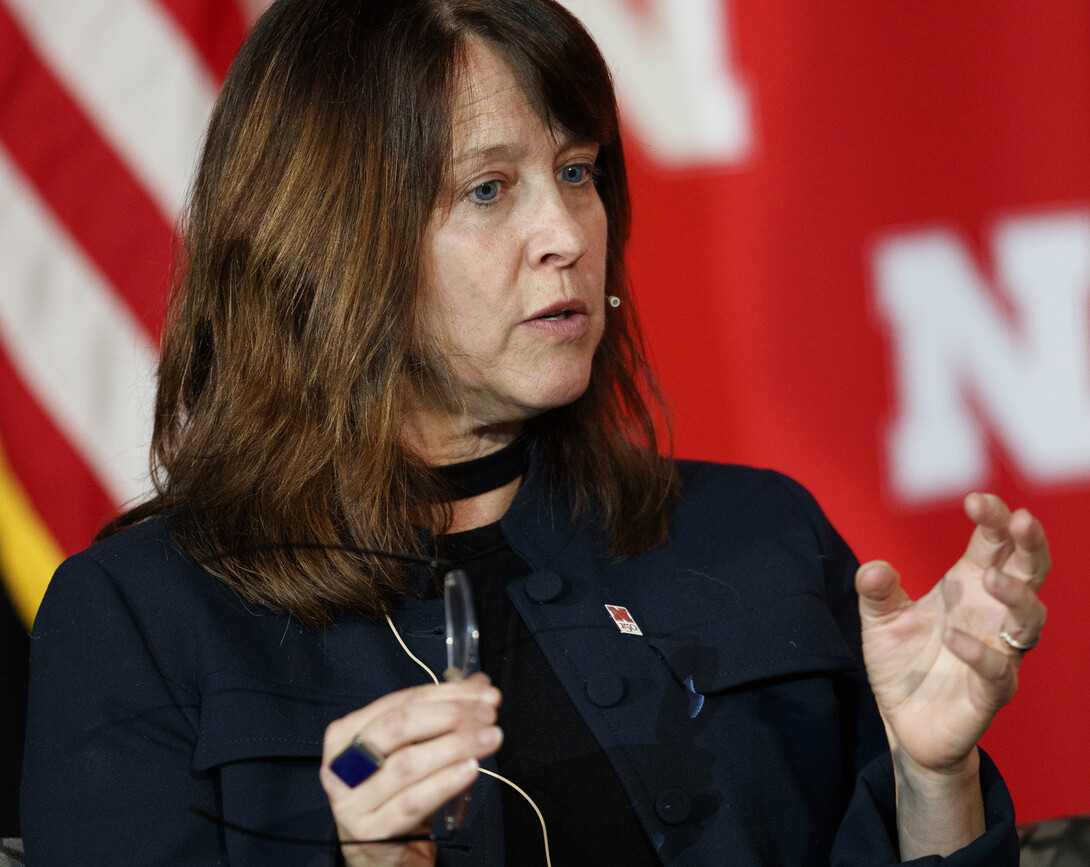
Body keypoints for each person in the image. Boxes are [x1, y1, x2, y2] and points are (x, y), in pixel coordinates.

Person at [20, 0, 1049, 864]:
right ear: (328, 240)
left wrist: (931, 778)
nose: (565, 235)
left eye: (576, 171)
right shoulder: (138, 621)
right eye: (487, 189)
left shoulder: (758, 531)